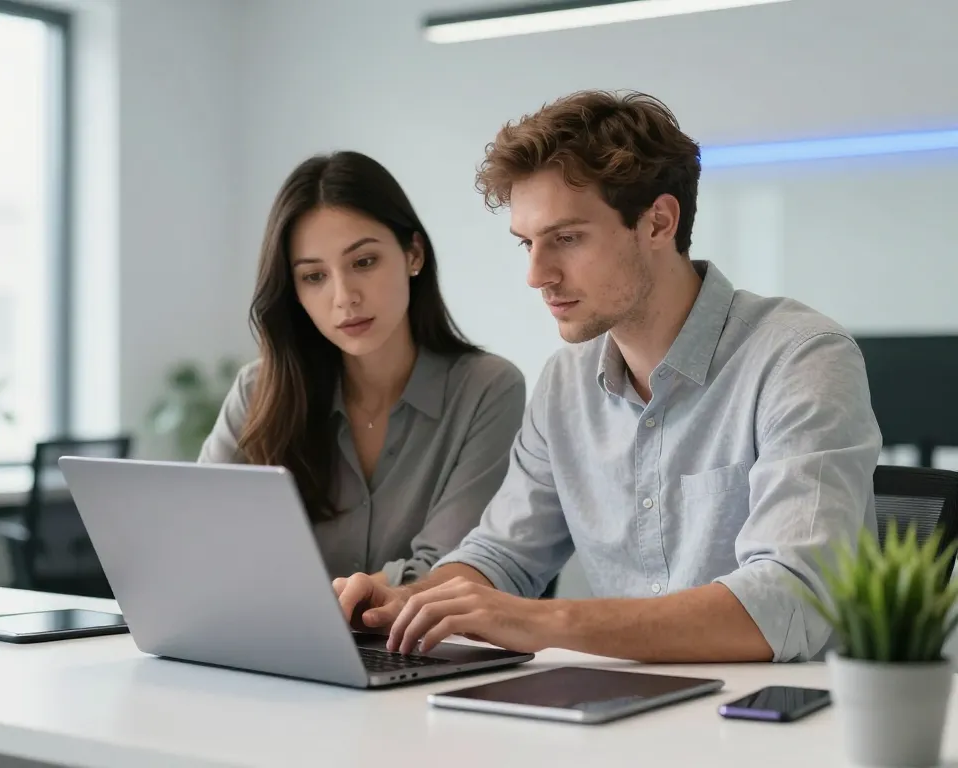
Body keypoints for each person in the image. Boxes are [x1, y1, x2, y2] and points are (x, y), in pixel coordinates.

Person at [335, 91, 882, 663]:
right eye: (527, 243)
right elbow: (502, 556)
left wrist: (546, 621)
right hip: (625, 703)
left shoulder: (801, 358)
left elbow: (790, 599)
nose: (536, 275)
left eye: (567, 238)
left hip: (780, 709)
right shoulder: (564, 384)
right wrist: (407, 603)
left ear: (658, 222)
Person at [198, 150, 526, 586]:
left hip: (417, 630)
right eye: (314, 276)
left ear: (413, 254)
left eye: (364, 262)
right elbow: (199, 539)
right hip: (274, 629)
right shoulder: (258, 390)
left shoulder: (488, 390)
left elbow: (453, 573)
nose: (344, 297)